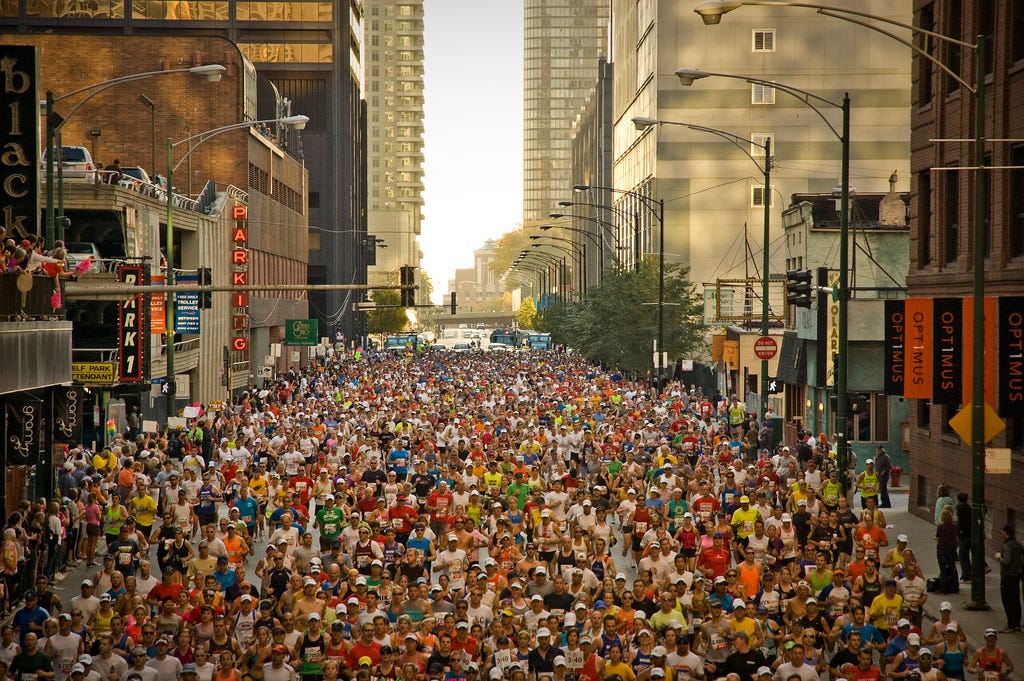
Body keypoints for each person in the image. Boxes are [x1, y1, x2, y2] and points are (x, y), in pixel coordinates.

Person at [996, 525, 1022, 633]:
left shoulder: (1007, 545)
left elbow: (1006, 561)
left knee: (1007, 600)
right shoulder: (1018, 545)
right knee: (1016, 600)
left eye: (1002, 531)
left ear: (1005, 533)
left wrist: (998, 557)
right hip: (1016, 576)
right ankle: (1017, 624)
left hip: (1007, 576)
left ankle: (1010, 624)